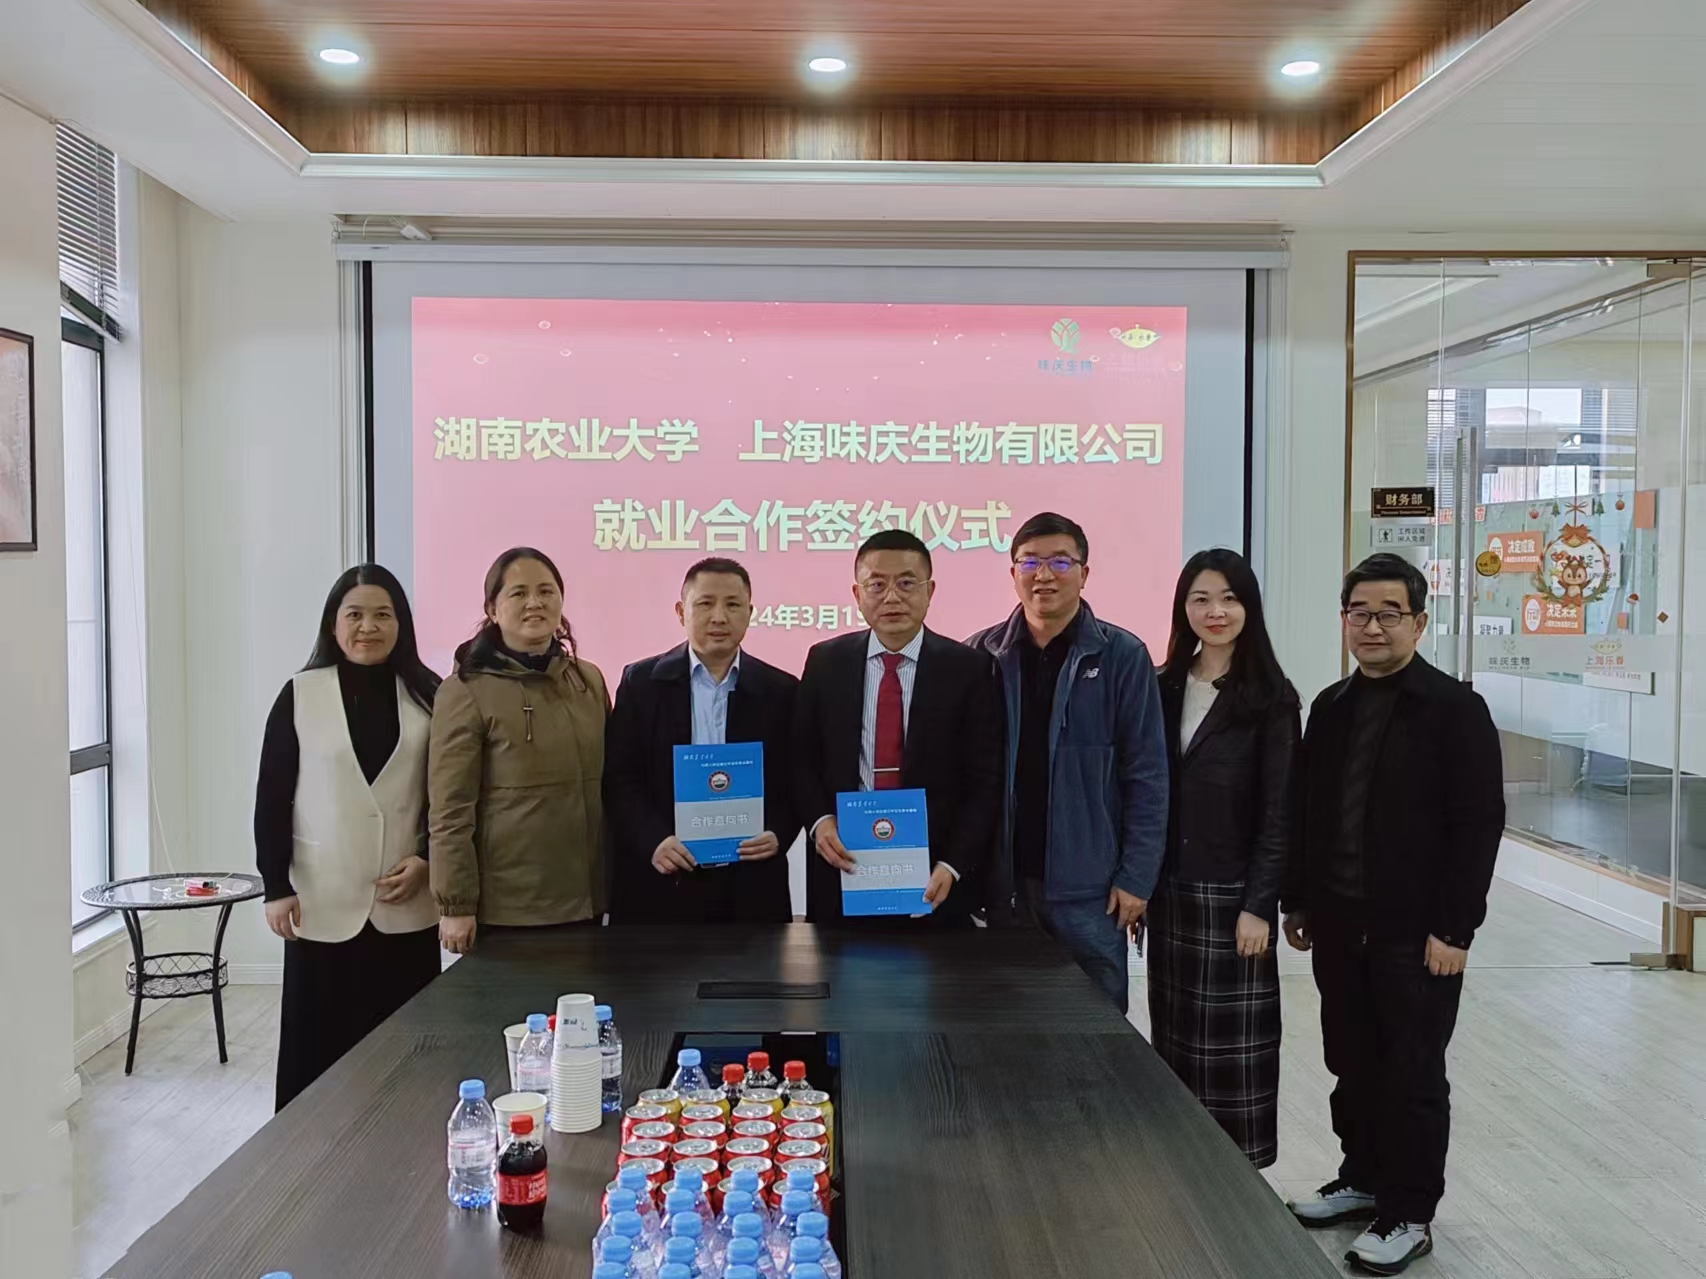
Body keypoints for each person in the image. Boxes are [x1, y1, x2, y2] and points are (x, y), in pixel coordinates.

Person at [1283, 553, 1504, 1275]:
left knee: (1412, 1070)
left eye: (1388, 613)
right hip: (1339, 924)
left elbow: (1478, 825)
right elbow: (1310, 812)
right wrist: (1299, 899)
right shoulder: (1331, 705)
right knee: (1350, 1060)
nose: (1372, 626)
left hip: (1416, 932)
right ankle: (1364, 1178)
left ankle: (1409, 1211)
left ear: (1419, 620)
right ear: (1344, 619)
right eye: (1360, 613)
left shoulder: (1454, 709)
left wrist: (1456, 928)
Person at [254, 564, 443, 1110]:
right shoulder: (300, 694)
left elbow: (450, 796)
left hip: (406, 901)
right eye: (354, 614)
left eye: (383, 614)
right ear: (333, 624)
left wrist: (429, 858)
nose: (368, 627)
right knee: (317, 1048)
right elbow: (273, 797)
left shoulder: (429, 693)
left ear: (401, 624)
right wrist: (275, 885)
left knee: (407, 1052)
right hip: (323, 898)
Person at [967, 512, 1167, 1013]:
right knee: (1005, 1028)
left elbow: (1147, 775)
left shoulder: (1123, 655)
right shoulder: (981, 655)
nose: (1044, 575)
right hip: (1005, 887)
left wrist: (1136, 877)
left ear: (1084, 573)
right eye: (1029, 562)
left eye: (1060, 561)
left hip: (1092, 893)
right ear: (1012, 572)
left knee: (1096, 1032)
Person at [1149, 549, 1298, 1167]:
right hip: (1170, 894)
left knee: (1234, 1054)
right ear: (1183, 608)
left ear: (1249, 608)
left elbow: (1280, 811)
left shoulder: (1271, 697)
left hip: (1233, 899)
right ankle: (1183, 1170)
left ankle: (1239, 1180)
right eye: (1201, 599)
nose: (1216, 612)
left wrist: (1260, 905)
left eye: (1230, 599)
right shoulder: (1162, 685)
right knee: (1176, 1040)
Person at [793, 529, 1002, 925]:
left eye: (907, 583)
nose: (891, 597)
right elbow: (801, 757)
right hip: (843, 865)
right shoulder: (825, 661)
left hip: (935, 874)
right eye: (877, 585)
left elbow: (984, 780)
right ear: (857, 594)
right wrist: (820, 823)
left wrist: (954, 864)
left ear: (930, 590)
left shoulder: (968, 669)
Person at [428, 547, 610, 952]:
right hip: (510, 907)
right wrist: (455, 904)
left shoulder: (588, 681)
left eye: (546, 591)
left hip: (587, 898)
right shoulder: (466, 690)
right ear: (492, 609)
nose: (535, 603)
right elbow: (450, 808)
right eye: (519, 593)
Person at [605, 557, 801, 923]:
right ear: (681, 612)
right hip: (663, 876)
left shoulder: (782, 690)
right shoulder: (641, 683)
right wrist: (653, 840)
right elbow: (620, 778)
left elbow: (797, 779)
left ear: (750, 613)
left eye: (733, 605)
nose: (719, 617)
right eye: (705, 603)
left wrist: (779, 832)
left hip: (752, 881)